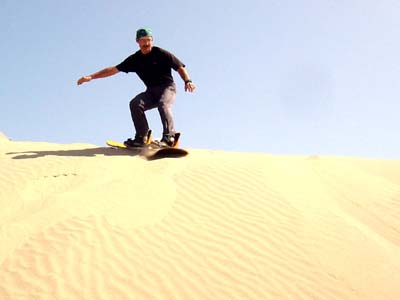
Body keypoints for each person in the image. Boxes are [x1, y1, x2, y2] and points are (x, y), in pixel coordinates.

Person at [77, 28, 196, 147]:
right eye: (143, 41)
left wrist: (187, 81)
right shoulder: (135, 59)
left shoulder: (161, 53)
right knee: (135, 103)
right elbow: (113, 70)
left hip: (167, 88)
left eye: (148, 40)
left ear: (152, 40)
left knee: (163, 104)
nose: (146, 43)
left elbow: (180, 67)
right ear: (137, 41)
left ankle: (169, 136)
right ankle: (142, 137)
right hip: (151, 92)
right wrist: (91, 77)